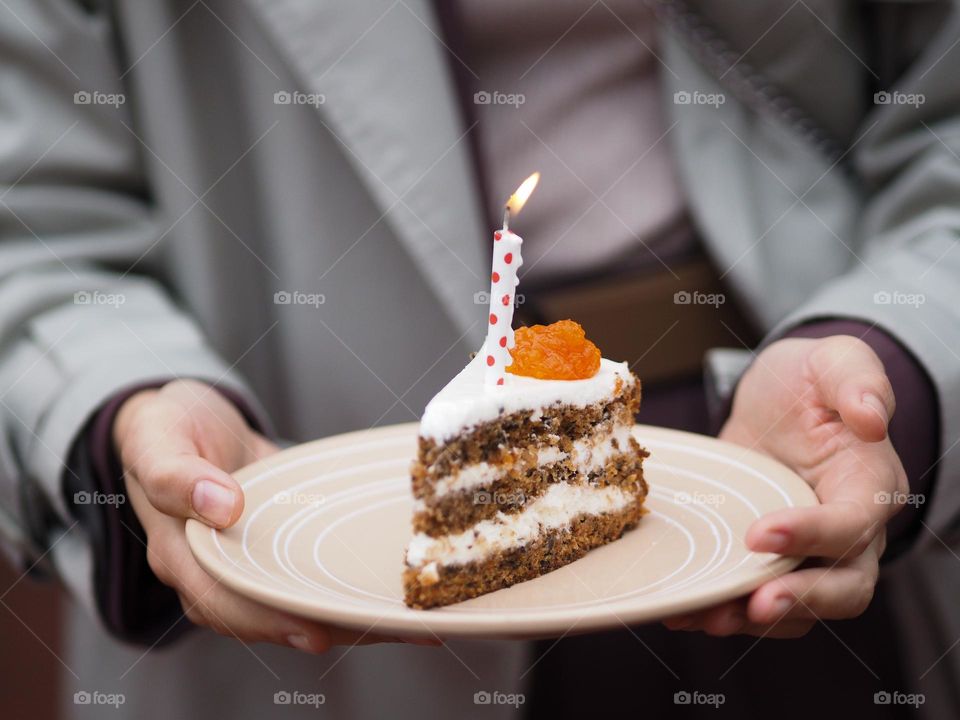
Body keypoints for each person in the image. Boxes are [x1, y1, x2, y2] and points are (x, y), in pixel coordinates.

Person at [0, 1, 956, 718]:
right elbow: (30, 228)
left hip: (778, 474)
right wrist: (120, 400)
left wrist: (895, 363)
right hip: (301, 523)